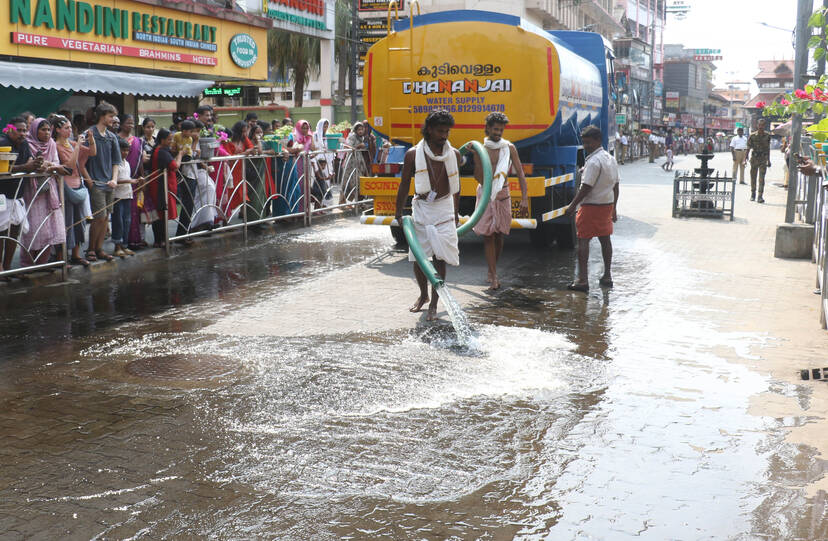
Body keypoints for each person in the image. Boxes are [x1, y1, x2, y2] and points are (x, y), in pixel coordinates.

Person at [394, 110, 461, 321]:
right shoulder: (413, 154)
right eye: (441, 131)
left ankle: (434, 302)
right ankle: (423, 295)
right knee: (419, 256)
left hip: (444, 208)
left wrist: (456, 213)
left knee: (440, 256)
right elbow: (404, 185)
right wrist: (398, 213)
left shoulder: (454, 154)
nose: (444, 136)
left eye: (447, 131)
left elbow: (457, 188)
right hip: (422, 208)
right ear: (429, 130)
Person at [472, 112, 528, 290]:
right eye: (495, 129)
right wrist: (477, 159)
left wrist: (524, 199)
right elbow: (478, 177)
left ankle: (492, 269)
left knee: (499, 234)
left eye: (501, 130)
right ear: (488, 128)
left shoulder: (509, 148)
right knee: (488, 235)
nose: (498, 133)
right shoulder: (481, 149)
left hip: (503, 193)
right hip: (486, 193)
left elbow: (520, 173)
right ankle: (494, 274)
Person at [564, 125, 620, 292]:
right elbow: (616, 185)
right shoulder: (610, 159)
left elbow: (586, 187)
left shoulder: (594, 161)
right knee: (605, 240)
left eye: (588, 142)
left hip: (591, 206)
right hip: (606, 205)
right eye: (584, 143)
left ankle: (582, 280)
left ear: (598, 141)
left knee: (583, 241)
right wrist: (614, 208)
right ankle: (607, 275)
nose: (586, 146)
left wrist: (572, 205)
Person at [19, 118, 67, 266]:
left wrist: (49, 166)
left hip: (49, 190)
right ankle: (27, 264)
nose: (47, 133)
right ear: (35, 130)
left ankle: (43, 263)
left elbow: (56, 163)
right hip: (31, 191)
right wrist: (47, 167)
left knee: (48, 228)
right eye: (43, 130)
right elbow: (30, 164)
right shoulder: (27, 144)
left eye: (48, 130)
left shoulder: (51, 144)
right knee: (32, 228)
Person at [0, 117, 41, 275]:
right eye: (19, 130)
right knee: (1, 232)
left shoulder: (24, 144)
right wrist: (26, 166)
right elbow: (3, 169)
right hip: (2, 195)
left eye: (25, 130)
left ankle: (8, 267)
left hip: (17, 195)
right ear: (10, 130)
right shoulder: (2, 143)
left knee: (14, 231)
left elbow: (30, 159)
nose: (23, 133)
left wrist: (35, 163)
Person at [83, 101, 121, 262]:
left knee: (106, 218)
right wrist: (90, 181)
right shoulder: (89, 133)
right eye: (111, 116)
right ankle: (91, 249)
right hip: (96, 182)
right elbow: (81, 161)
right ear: (102, 116)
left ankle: (99, 249)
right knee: (99, 217)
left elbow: (116, 162)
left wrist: (114, 179)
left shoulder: (112, 137)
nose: (114, 119)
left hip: (109, 183)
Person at [55, 115, 95, 267]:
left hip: (78, 186)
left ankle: (76, 255)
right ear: (57, 130)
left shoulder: (70, 143)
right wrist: (77, 145)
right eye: (66, 128)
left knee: (79, 222)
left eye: (71, 127)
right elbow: (69, 166)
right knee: (66, 223)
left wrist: (91, 138)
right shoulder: (56, 146)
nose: (70, 130)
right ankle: (61, 257)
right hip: (65, 188)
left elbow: (92, 153)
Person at [148, 129, 183, 246]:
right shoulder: (162, 151)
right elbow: (175, 166)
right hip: (160, 186)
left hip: (160, 184)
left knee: (161, 213)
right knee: (161, 213)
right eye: (169, 139)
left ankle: (162, 239)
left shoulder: (160, 149)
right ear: (162, 140)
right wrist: (180, 155)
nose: (171, 141)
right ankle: (160, 240)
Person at [112, 138, 139, 257]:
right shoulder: (115, 163)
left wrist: (134, 181)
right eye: (123, 150)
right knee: (118, 221)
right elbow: (115, 180)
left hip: (128, 195)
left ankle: (124, 245)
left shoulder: (127, 163)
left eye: (127, 150)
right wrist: (131, 180)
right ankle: (117, 246)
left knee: (127, 221)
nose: (125, 153)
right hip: (117, 196)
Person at [172, 119, 198, 240]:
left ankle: (184, 231)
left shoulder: (191, 139)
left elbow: (189, 153)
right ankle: (181, 232)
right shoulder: (176, 136)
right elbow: (173, 149)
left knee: (189, 203)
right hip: (181, 171)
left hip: (189, 170)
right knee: (185, 202)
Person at [746, 118, 772, 203]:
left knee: (761, 179)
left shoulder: (768, 136)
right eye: (759, 125)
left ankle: (760, 196)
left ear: (764, 126)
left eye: (763, 125)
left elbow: (768, 149)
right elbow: (748, 147)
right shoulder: (752, 135)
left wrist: (768, 160)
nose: (761, 126)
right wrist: (745, 158)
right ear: (757, 125)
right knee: (753, 177)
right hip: (754, 158)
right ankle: (753, 194)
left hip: (763, 159)